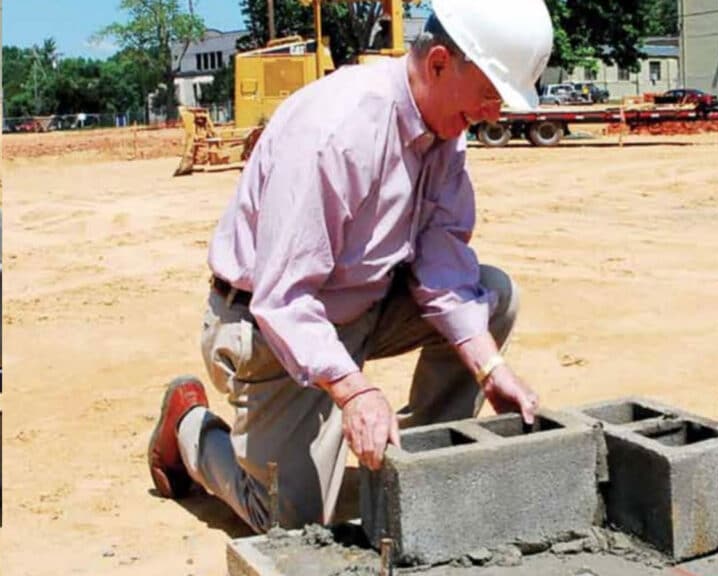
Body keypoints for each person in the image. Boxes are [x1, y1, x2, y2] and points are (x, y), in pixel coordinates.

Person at [147, 0, 554, 532]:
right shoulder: (337, 130)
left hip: (360, 308)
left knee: (495, 295)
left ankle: (419, 463)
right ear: (437, 63)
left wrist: (488, 368)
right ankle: (189, 431)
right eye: (490, 95)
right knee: (290, 522)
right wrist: (355, 390)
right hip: (269, 329)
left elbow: (443, 262)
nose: (493, 115)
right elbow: (284, 298)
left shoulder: (444, 132)